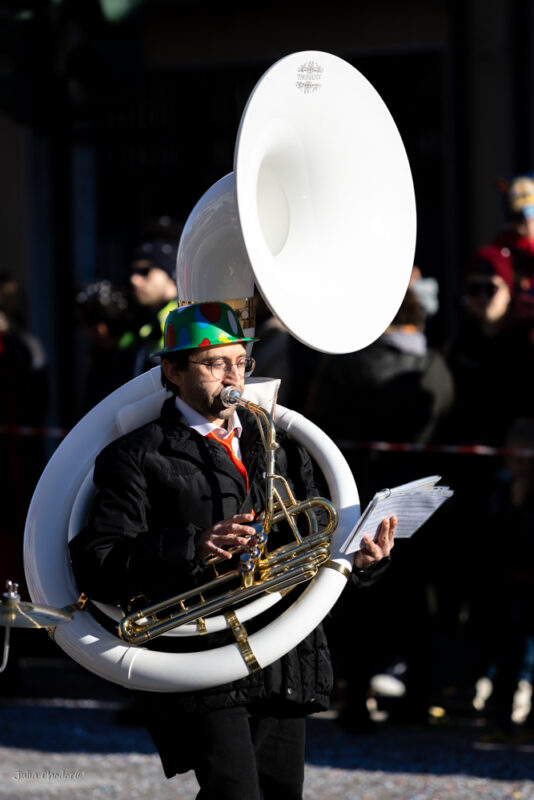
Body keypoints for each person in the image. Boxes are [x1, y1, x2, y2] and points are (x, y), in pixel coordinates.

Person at [69, 301, 396, 799]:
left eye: (241, 362)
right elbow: (98, 562)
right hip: (203, 654)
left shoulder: (280, 443)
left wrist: (361, 560)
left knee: (281, 793)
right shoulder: (135, 455)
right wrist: (195, 546)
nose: (234, 376)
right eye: (215, 363)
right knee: (233, 794)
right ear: (173, 372)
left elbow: (312, 541)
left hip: (284, 648)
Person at [128, 237, 179, 376]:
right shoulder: (143, 320)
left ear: (171, 274)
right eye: (134, 272)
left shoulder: (186, 319)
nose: (134, 280)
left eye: (145, 271)